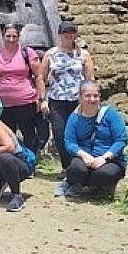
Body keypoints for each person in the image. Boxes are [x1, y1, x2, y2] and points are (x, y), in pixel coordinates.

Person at [40, 20, 96, 176]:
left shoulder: (83, 54)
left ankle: (81, 164)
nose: (69, 35)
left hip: (78, 100)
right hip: (57, 99)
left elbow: (89, 78)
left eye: (72, 32)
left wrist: (92, 98)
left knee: (80, 133)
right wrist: (43, 99)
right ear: (60, 34)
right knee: (60, 133)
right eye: (66, 32)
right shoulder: (51, 54)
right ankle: (67, 166)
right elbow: (42, 78)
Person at [60, 80, 127, 198]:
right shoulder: (74, 117)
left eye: (95, 96)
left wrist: (105, 157)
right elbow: (69, 142)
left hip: (108, 160)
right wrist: (83, 155)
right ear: (80, 97)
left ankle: (82, 183)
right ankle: (77, 182)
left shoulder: (111, 114)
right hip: (85, 158)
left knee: (107, 174)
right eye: (87, 96)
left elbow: (121, 140)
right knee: (76, 169)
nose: (92, 99)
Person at [0, 23, 45, 156]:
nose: (11, 39)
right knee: (7, 135)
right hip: (3, 104)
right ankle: (13, 162)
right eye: (8, 36)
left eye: (14, 36)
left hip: (25, 101)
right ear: (3, 37)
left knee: (29, 134)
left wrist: (41, 98)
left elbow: (38, 76)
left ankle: (30, 160)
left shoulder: (27, 53)